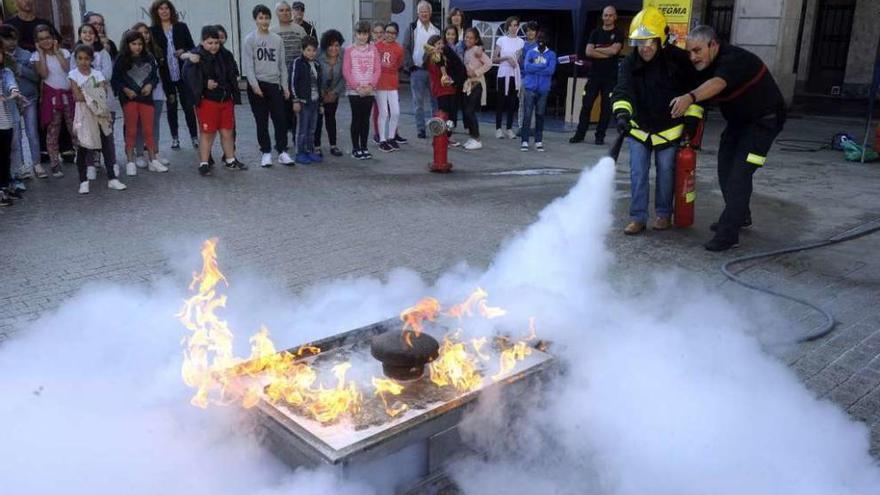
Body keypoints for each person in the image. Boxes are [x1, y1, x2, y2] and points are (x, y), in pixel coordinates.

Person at [670, 25, 786, 251]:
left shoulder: (734, 59)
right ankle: (740, 214)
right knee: (724, 168)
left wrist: (690, 97)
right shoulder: (703, 66)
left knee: (739, 173)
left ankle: (728, 234)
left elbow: (717, 84)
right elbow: (699, 86)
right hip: (738, 123)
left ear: (713, 45)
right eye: (689, 52)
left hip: (765, 122)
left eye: (697, 51)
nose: (693, 57)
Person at [612, 7, 701, 235]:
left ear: (662, 38)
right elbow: (622, 91)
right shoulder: (629, 63)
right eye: (640, 42)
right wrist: (622, 115)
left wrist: (691, 121)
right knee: (638, 173)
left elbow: (697, 92)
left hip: (669, 130)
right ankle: (638, 218)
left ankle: (663, 215)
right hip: (639, 128)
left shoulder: (679, 60)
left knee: (666, 172)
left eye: (650, 41)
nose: (645, 47)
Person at [182, 25, 245, 176]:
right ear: (203, 42)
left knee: (227, 132)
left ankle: (230, 159)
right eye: (210, 43)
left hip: (225, 100)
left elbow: (233, 72)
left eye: (216, 42)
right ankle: (204, 163)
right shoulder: (195, 56)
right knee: (207, 133)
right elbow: (187, 77)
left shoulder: (226, 54)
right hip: (207, 101)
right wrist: (204, 84)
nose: (214, 46)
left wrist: (232, 86)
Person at [68, 43, 127, 194]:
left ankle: (112, 179)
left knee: (106, 145)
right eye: (80, 58)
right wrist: (91, 94)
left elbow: (102, 94)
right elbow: (77, 96)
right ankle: (83, 181)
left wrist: (87, 92)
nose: (83, 62)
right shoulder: (73, 75)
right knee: (83, 147)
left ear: (91, 59)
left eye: (86, 59)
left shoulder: (97, 74)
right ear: (75, 59)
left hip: (100, 113)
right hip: (83, 114)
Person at [111, 29, 168, 176]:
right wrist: (125, 89)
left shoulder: (148, 57)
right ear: (127, 44)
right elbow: (115, 80)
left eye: (140, 44)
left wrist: (150, 85)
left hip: (146, 99)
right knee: (131, 130)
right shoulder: (121, 59)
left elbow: (154, 77)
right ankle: (130, 161)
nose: (137, 47)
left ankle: (153, 160)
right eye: (134, 44)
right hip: (129, 99)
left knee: (148, 130)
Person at [242, 4, 293, 167]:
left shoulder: (277, 39)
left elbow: (282, 65)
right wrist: (254, 85)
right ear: (255, 20)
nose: (264, 21)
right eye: (260, 18)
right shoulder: (250, 39)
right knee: (261, 120)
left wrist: (285, 87)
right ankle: (266, 152)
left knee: (280, 119)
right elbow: (248, 65)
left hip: (274, 84)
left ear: (270, 19)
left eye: (266, 17)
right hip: (257, 85)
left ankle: (283, 151)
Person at [149, 0, 199, 150]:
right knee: (171, 106)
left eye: (167, 8)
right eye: (161, 9)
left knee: (188, 106)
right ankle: (175, 138)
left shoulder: (181, 27)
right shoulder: (153, 30)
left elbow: (193, 47)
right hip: (166, 74)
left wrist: (183, 51)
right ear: (156, 12)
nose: (164, 11)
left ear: (171, 11)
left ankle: (194, 137)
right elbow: (152, 52)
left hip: (183, 74)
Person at [570, 5, 623, 145]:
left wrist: (598, 49)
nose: (608, 18)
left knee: (606, 108)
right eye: (605, 15)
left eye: (610, 15)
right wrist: (607, 50)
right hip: (594, 76)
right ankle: (579, 134)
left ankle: (600, 136)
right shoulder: (595, 32)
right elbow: (588, 52)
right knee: (586, 105)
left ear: (615, 17)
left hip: (610, 77)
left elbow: (614, 51)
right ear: (602, 16)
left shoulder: (618, 33)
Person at [31, 24, 73, 178]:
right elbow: (43, 74)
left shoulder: (64, 52)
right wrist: (41, 54)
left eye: (48, 37)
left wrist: (56, 52)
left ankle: (83, 159)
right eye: (41, 39)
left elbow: (67, 68)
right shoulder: (36, 56)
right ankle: (55, 163)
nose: (46, 41)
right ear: (37, 42)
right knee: (53, 131)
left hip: (67, 95)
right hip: (51, 97)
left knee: (73, 127)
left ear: (53, 37)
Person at [0, 25, 40, 180]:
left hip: (28, 97)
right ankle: (20, 168)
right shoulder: (3, 57)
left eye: (14, 38)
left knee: (32, 132)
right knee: (15, 137)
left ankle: (36, 163)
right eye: (7, 38)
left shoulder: (26, 55)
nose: (11, 42)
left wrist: (19, 68)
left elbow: (35, 77)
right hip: (8, 104)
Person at [132, 22, 170, 169]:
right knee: (141, 124)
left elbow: (161, 72)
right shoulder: (132, 53)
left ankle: (155, 152)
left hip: (157, 91)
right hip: (142, 93)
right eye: (141, 33)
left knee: (155, 123)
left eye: (147, 32)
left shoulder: (156, 50)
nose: (145, 35)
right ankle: (140, 153)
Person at [342, 20, 380, 160]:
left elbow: (377, 69)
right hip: (354, 91)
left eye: (365, 34)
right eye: (359, 33)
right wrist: (357, 87)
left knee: (365, 119)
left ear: (368, 34)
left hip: (369, 90)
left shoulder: (374, 49)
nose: (362, 37)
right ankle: (355, 148)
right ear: (355, 34)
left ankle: (364, 147)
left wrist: (371, 86)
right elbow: (346, 71)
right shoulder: (349, 50)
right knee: (356, 118)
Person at [273, 2, 306, 147]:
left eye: (287, 10)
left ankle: (296, 138)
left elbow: (307, 52)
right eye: (281, 10)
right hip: (279, 78)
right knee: (281, 111)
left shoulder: (300, 30)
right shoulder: (272, 32)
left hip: (297, 77)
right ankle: (282, 141)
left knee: (296, 111)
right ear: (277, 13)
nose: (285, 13)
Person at [405, 1, 440, 139]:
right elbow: (405, 47)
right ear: (417, 13)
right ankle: (421, 129)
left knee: (435, 101)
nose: (424, 13)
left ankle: (436, 128)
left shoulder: (436, 29)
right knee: (418, 103)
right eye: (421, 11)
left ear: (430, 13)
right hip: (417, 70)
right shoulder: (412, 27)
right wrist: (410, 66)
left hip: (433, 71)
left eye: (426, 11)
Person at [425, 34, 465, 147]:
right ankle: (439, 137)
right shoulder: (432, 57)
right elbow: (437, 73)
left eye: (441, 43)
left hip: (450, 88)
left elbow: (452, 69)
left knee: (452, 114)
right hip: (440, 89)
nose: (441, 45)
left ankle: (449, 135)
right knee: (443, 113)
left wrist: (453, 79)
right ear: (432, 45)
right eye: (438, 44)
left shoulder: (445, 55)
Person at [520, 30, 556, 152]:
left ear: (547, 40)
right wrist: (542, 66)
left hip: (543, 89)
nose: (541, 40)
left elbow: (550, 71)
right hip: (530, 88)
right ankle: (524, 141)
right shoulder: (530, 52)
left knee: (540, 115)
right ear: (536, 39)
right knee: (527, 115)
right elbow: (526, 68)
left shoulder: (551, 54)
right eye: (539, 38)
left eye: (543, 38)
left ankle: (538, 141)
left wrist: (535, 68)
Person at [290, 35, 321, 164]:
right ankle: (299, 153)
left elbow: (319, 85)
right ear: (302, 50)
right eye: (308, 50)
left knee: (312, 129)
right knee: (302, 129)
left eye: (314, 50)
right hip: (303, 103)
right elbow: (292, 83)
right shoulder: (298, 63)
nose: (311, 53)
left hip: (315, 102)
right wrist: (295, 100)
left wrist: (321, 103)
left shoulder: (317, 64)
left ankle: (310, 151)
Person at [0, 47, 25, 206]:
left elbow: (11, 84)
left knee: (4, 155)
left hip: (5, 120)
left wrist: (15, 92)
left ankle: (4, 185)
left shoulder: (5, 71)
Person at [315, 29, 345, 157]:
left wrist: (335, 93)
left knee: (331, 118)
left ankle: (333, 145)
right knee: (318, 120)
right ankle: (316, 146)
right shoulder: (318, 55)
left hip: (334, 92)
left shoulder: (344, 55)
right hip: (318, 92)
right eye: (330, 45)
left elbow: (345, 75)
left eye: (337, 45)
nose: (334, 48)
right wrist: (320, 91)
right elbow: (312, 73)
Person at [460, 27, 491, 151]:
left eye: (471, 37)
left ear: (476, 39)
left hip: (477, 83)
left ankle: (477, 139)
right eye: (466, 37)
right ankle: (472, 137)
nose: (468, 39)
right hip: (468, 84)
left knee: (470, 111)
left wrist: (477, 72)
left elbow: (489, 63)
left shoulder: (477, 50)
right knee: (467, 111)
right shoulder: (466, 50)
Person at [493, 16, 523, 139]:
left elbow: (520, 60)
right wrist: (506, 58)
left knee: (512, 102)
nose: (513, 27)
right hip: (503, 73)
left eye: (516, 25)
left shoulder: (521, 42)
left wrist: (516, 61)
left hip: (514, 74)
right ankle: (498, 128)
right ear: (508, 26)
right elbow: (494, 58)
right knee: (500, 101)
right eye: (511, 25)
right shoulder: (501, 40)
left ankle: (509, 128)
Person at [375, 22, 404, 153]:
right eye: (388, 32)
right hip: (380, 83)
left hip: (392, 83)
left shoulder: (399, 48)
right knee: (383, 112)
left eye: (393, 33)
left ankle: (391, 137)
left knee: (396, 111)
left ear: (397, 34)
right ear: (384, 33)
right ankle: (382, 139)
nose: (390, 35)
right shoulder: (377, 46)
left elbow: (398, 64)